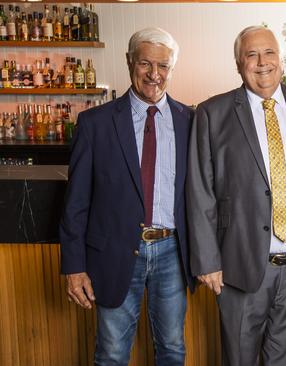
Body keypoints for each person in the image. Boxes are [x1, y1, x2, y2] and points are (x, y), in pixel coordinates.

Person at [186, 25, 286, 366]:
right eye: (251, 55)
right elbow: (200, 192)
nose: (262, 62)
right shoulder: (213, 114)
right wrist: (208, 260)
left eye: (268, 52)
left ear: (280, 60)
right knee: (239, 358)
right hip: (239, 265)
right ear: (238, 64)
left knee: (285, 359)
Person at [59, 27, 195, 365]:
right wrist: (73, 266)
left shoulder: (190, 121)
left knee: (173, 349)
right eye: (145, 63)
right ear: (129, 62)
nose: (154, 74)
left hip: (172, 253)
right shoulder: (94, 124)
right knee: (112, 353)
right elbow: (75, 203)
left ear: (172, 68)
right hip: (116, 253)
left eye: (163, 66)